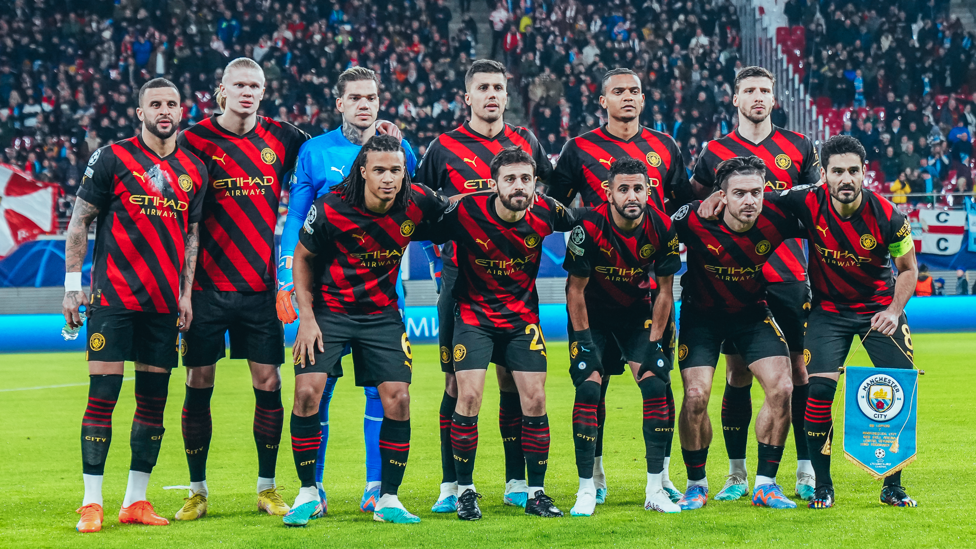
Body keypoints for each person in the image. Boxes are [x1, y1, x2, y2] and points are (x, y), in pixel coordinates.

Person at [285, 135, 452, 526]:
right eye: (379, 170)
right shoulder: (329, 208)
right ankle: (309, 492)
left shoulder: (417, 200)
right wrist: (306, 317)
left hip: (381, 315)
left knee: (398, 399)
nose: (389, 178)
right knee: (307, 392)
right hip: (330, 310)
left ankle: (388, 499)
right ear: (363, 171)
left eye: (396, 170)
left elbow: (456, 211)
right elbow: (304, 258)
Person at [64, 78, 208, 533]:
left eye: (171, 104)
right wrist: (72, 285)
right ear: (140, 111)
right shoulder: (111, 157)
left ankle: (135, 501)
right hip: (114, 298)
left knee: (153, 402)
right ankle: (91, 502)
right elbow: (79, 221)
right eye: (155, 104)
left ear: (181, 111)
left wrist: (185, 294)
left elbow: (191, 235)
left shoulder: (195, 168)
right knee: (103, 395)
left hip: (164, 303)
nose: (164, 111)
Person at [173, 57, 310, 521]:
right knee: (198, 381)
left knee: (268, 382)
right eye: (240, 85)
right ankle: (197, 490)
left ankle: (267, 489)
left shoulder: (284, 138)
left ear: (263, 91)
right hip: (207, 287)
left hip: (259, 288)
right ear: (222, 90)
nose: (248, 92)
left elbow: (326, 162)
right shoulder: (192, 140)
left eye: (256, 85)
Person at [549, 67, 692, 504]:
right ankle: (592, 477)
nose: (627, 97)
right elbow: (557, 205)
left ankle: (661, 479)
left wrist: (670, 231)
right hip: (592, 293)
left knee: (659, 383)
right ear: (603, 100)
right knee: (593, 386)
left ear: (643, 98)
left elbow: (684, 206)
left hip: (642, 298)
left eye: (634, 90)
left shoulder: (666, 146)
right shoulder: (578, 149)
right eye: (618, 91)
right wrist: (586, 233)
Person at [277, 67, 416, 513]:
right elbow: (297, 219)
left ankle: (377, 488)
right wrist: (286, 279)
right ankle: (312, 489)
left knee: (385, 391)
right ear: (339, 103)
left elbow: (419, 210)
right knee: (317, 389)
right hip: (325, 297)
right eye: (355, 97)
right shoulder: (314, 152)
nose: (364, 104)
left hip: (382, 293)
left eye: (371, 97)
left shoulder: (400, 148)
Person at [416, 59, 553, 513]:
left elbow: (547, 198)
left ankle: (518, 482)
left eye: (498, 87)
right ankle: (451, 486)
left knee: (516, 383)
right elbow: (419, 206)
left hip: (515, 282)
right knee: (458, 385)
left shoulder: (526, 142)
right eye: (483, 88)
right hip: (460, 282)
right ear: (467, 97)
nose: (492, 94)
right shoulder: (443, 148)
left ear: (506, 95)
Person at [686, 66, 821, 502]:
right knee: (737, 372)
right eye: (749, 90)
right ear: (735, 97)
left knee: (796, 372)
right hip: (732, 282)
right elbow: (695, 209)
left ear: (775, 97)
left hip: (786, 277)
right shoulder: (713, 151)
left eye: (765, 90)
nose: (758, 97)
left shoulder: (799, 146)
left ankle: (803, 469)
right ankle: (737, 473)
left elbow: (818, 209)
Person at [425, 147, 580, 520]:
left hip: (521, 321)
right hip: (474, 317)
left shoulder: (548, 211)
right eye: (510, 179)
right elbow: (419, 221)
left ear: (535, 183)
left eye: (526, 178)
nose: (519, 186)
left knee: (536, 400)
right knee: (469, 397)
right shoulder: (465, 210)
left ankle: (536, 492)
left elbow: (586, 223)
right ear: (494, 184)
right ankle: (464, 491)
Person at [764, 135, 919, 509]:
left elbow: (909, 269)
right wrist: (719, 197)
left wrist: (893, 312)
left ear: (865, 173)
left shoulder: (889, 216)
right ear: (824, 175)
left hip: (879, 312)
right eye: (838, 171)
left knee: (900, 392)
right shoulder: (805, 199)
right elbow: (757, 198)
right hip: (828, 313)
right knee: (817, 394)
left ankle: (892, 486)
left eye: (853, 170)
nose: (846, 178)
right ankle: (822, 485)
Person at [672, 156, 800, 511]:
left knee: (783, 388)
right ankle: (696, 484)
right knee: (695, 395)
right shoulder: (695, 218)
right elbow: (653, 232)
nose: (750, 201)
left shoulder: (778, 215)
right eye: (740, 193)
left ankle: (765, 484)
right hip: (702, 317)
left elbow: (822, 209)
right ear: (722, 196)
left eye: (756, 192)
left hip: (752, 313)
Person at [561, 158, 681, 515]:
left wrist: (656, 344)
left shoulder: (661, 226)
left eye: (639, 188)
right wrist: (583, 343)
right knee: (588, 386)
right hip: (592, 316)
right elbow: (574, 290)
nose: (632, 196)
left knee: (657, 383)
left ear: (649, 190)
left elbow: (664, 291)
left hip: (636, 315)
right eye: (624, 188)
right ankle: (588, 487)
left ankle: (655, 488)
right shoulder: (589, 225)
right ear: (608, 192)